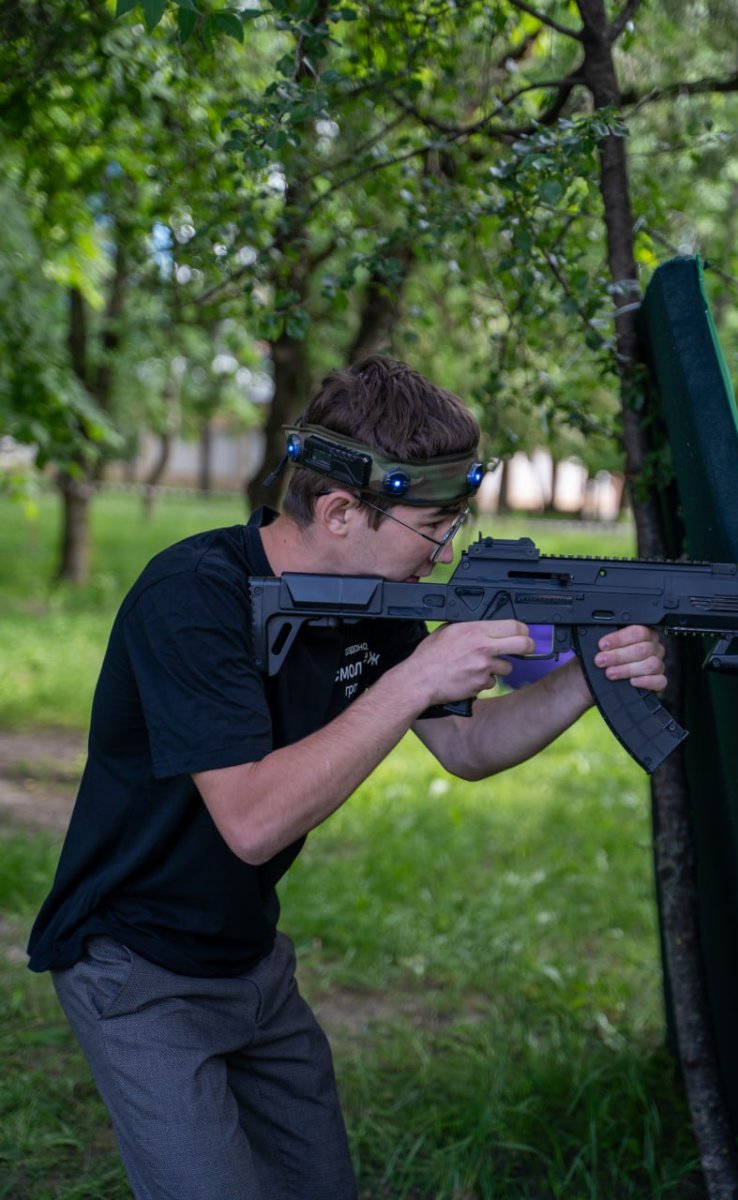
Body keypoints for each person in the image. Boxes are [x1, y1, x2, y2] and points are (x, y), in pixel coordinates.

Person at [27, 356, 666, 1200]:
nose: (444, 554)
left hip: (251, 962)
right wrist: (413, 680)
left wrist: (589, 678)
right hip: (136, 972)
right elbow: (252, 821)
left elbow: (467, 750)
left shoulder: (368, 598)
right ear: (337, 511)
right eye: (435, 527)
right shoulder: (193, 598)